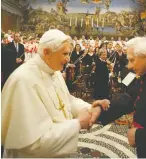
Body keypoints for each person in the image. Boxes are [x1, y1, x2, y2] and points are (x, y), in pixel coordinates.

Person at [1, 29, 107, 158]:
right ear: (47, 52)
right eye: (65, 54)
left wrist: (89, 108)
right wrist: (77, 124)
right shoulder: (22, 80)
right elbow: (34, 143)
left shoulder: (54, 70)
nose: (68, 59)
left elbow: (67, 101)